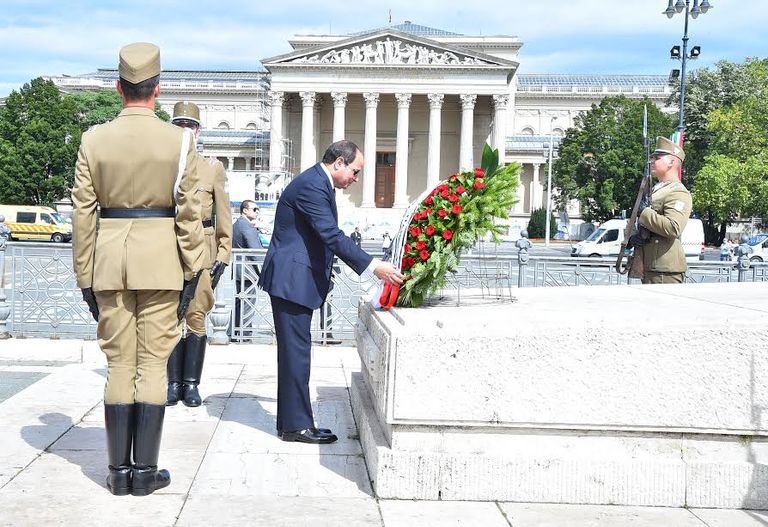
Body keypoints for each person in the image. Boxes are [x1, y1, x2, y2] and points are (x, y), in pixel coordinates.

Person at [71, 42, 206, 496]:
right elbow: (189, 216)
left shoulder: (93, 139)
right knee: (151, 364)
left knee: (117, 363)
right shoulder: (181, 140)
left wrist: (84, 275)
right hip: (162, 262)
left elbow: (83, 215)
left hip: (109, 263)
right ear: (158, 89)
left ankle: (116, 473)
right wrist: (193, 270)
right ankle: (144, 474)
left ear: (118, 87)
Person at [257, 140, 402, 444]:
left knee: (296, 354)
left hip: (294, 280)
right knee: (296, 355)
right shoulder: (312, 185)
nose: (356, 178)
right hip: (291, 280)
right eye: (355, 171)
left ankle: (293, 422)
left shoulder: (317, 183)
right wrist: (373, 265)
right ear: (339, 162)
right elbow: (331, 235)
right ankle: (296, 426)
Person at [166, 101, 232, 407]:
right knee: (168, 317)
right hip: (167, 250)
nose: (185, 130)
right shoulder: (161, 164)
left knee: (196, 315)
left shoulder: (212, 167)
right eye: (179, 125)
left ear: (198, 130)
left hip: (203, 250)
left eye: (189, 126)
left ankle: (190, 383)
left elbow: (224, 214)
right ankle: (172, 382)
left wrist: (223, 253)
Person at [636, 137, 692, 284]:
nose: (652, 161)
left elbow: (673, 228)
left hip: (664, 269)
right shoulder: (657, 189)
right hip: (651, 266)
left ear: (672, 162)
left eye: (657, 157)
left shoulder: (678, 192)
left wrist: (644, 213)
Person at [232, 200, 263, 337]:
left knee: (241, 301)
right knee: (247, 302)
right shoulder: (246, 226)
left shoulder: (239, 224)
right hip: (247, 271)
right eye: (254, 209)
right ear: (244, 210)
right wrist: (264, 270)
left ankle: (235, 331)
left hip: (241, 269)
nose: (257, 211)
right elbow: (256, 251)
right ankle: (243, 333)